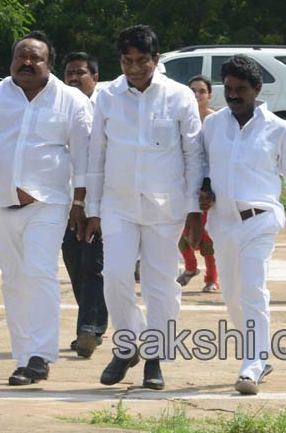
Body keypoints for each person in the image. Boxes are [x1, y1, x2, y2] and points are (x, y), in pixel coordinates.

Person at [0, 31, 92, 386]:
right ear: (11, 61)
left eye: (35, 58)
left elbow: (86, 157)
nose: (26, 63)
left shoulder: (70, 100)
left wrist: (81, 202)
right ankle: (24, 357)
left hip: (49, 203)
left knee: (39, 272)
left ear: (48, 64)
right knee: (14, 281)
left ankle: (40, 356)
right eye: (20, 57)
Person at [85, 25, 204, 391]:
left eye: (141, 61)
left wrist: (195, 209)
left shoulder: (179, 96)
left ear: (156, 59)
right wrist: (92, 207)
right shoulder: (106, 96)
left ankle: (154, 357)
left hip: (165, 206)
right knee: (116, 275)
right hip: (118, 203)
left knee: (160, 285)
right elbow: (96, 154)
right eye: (127, 61)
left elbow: (194, 154)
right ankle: (127, 346)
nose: (134, 68)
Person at [200, 55, 286, 395]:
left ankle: (253, 362)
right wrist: (205, 191)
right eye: (230, 89)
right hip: (223, 223)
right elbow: (205, 168)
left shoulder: (278, 129)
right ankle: (257, 355)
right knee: (232, 295)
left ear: (257, 89)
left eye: (241, 89)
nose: (234, 95)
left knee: (252, 289)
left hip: (260, 221)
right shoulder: (213, 125)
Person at [60, 52, 108, 358]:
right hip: (65, 203)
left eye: (80, 73)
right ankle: (91, 325)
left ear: (95, 77)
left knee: (93, 265)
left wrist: (96, 207)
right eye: (69, 74)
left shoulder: (105, 109)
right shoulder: (60, 108)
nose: (74, 78)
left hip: (98, 202)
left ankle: (89, 329)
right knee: (74, 262)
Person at [177, 75, 219, 293]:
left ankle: (212, 278)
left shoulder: (215, 121)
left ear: (209, 95)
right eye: (192, 90)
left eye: (201, 91)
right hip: (182, 181)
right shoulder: (181, 116)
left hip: (207, 183)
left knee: (205, 234)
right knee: (179, 231)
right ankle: (190, 267)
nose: (196, 94)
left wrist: (209, 184)